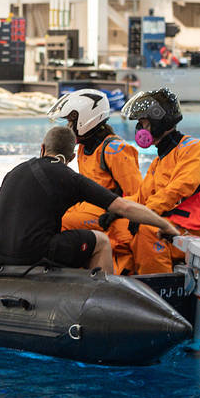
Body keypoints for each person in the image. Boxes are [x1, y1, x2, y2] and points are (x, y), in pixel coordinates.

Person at [0, 126, 181, 271]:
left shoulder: (14, 172)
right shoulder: (70, 178)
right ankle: (103, 300)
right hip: (33, 254)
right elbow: (124, 207)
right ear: (71, 158)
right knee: (102, 241)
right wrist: (165, 225)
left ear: (42, 148)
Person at [121, 88, 200, 274]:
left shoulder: (193, 149)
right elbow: (142, 197)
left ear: (158, 122)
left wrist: (144, 213)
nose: (140, 129)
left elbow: (179, 188)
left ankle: (160, 293)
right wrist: (114, 206)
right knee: (117, 229)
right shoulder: (159, 161)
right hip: (178, 223)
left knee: (147, 232)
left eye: (143, 123)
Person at [48, 90, 143, 274]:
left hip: (110, 213)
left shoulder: (115, 149)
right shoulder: (84, 148)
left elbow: (138, 192)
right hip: (91, 207)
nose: (69, 126)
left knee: (63, 222)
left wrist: (115, 213)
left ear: (87, 118)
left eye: (71, 121)